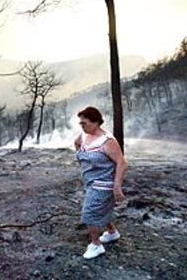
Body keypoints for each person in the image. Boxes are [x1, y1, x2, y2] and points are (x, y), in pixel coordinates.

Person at [74, 106, 127, 259]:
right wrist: (82, 161)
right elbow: (77, 144)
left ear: (96, 122)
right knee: (101, 209)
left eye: (85, 123)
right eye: (80, 123)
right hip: (90, 182)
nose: (82, 126)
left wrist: (117, 186)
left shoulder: (107, 141)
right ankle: (112, 232)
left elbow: (122, 163)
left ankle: (96, 245)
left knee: (89, 212)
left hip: (104, 184)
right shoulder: (84, 136)